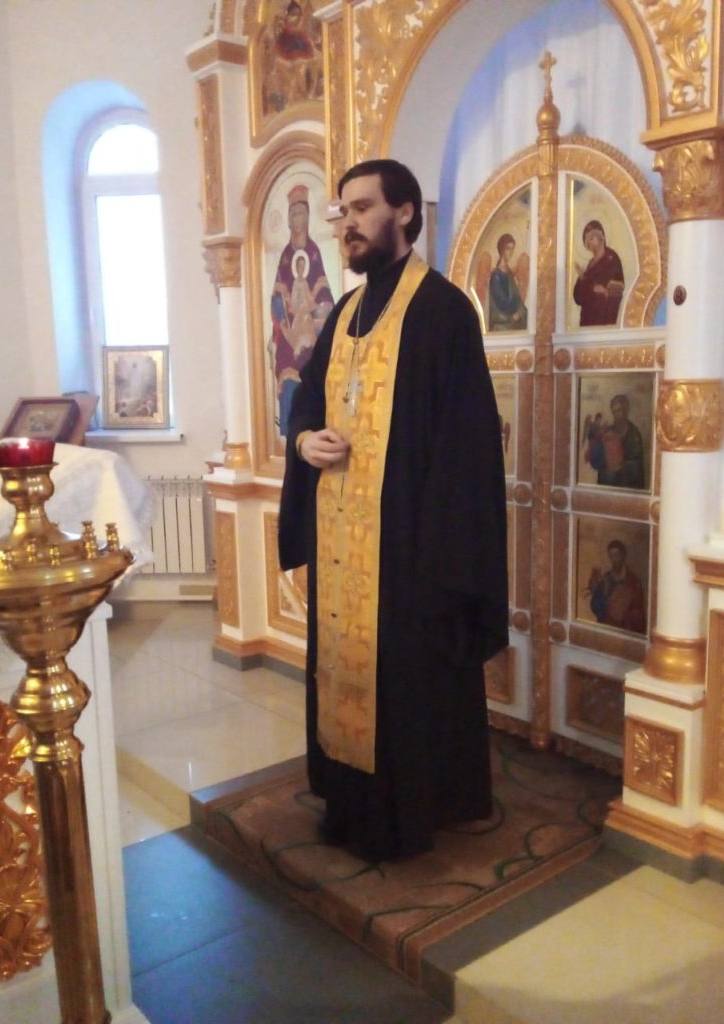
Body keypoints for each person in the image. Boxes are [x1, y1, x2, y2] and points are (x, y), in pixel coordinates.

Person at [278, 159, 509, 861]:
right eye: (342, 212)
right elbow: (307, 400)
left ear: (404, 212)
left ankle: (415, 811)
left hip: (411, 550)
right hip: (342, 541)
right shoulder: (345, 312)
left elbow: (466, 446)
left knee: (411, 685)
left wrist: (437, 554)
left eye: (360, 208)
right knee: (343, 673)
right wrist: (304, 440)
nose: (346, 224)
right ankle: (350, 803)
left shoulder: (443, 311)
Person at [269, 183, 334, 437]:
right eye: (293, 214)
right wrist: (282, 308)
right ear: (288, 220)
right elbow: (276, 296)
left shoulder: (314, 252)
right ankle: (288, 429)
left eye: (301, 214)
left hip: (311, 328)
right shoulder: (286, 255)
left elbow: (324, 293)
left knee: (315, 366)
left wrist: (317, 312)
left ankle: (317, 427)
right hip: (289, 329)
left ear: (307, 218)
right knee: (286, 366)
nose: (297, 220)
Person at [584, 393, 645, 489]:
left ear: (626, 410)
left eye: (619, 410)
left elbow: (637, 467)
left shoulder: (634, 434)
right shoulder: (608, 432)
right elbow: (599, 459)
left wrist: (619, 465)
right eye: (614, 411)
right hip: (608, 483)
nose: (617, 414)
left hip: (627, 484)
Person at [573, 219, 624, 326]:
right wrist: (582, 279)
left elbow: (615, 287)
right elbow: (578, 298)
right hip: (587, 320)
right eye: (587, 242)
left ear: (601, 237)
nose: (589, 243)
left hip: (604, 319)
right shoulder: (590, 265)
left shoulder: (611, 259)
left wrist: (602, 290)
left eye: (591, 238)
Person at [588, 539, 646, 634]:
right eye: (611, 556)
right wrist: (601, 595)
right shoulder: (606, 579)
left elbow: (639, 615)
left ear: (623, 555)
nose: (614, 559)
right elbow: (595, 606)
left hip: (625, 631)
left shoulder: (634, 582)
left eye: (617, 555)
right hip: (607, 628)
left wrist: (623, 612)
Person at [488, 233, 528, 331]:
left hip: (512, 320)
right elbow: (503, 302)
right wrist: (517, 312)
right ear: (502, 250)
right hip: (502, 322)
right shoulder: (496, 276)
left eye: (512, 249)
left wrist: (520, 311)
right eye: (508, 249)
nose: (511, 252)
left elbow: (517, 298)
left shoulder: (508, 273)